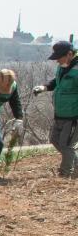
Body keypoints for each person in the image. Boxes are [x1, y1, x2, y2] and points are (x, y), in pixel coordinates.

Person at [33, 41, 78, 178]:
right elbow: (57, 81)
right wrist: (44, 87)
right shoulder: (63, 67)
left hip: (73, 116)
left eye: (59, 57)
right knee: (55, 140)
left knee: (66, 146)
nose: (57, 61)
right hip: (60, 114)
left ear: (69, 54)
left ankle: (65, 175)